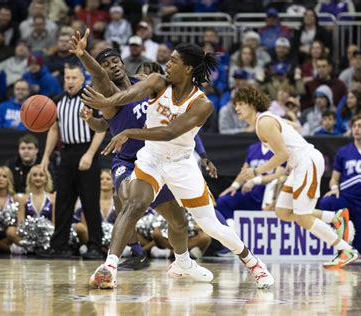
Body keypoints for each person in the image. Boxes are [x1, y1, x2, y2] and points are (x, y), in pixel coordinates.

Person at [82, 42, 274, 289]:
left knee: (209, 224)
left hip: (181, 164)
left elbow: (171, 131)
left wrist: (129, 132)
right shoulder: (157, 82)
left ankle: (253, 263)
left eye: (173, 61)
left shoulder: (202, 104)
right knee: (135, 202)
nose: (167, 64)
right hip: (150, 158)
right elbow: (129, 95)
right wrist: (106, 101)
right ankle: (109, 266)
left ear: (188, 69)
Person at [72, 30, 217, 275]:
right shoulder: (108, 91)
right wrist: (83, 54)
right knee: (131, 201)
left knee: (179, 221)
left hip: (157, 160)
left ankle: (183, 263)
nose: (111, 67)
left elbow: (180, 120)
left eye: (114, 61)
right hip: (128, 161)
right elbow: (102, 119)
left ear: (122, 61)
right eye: (106, 65)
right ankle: (115, 263)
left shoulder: (144, 82)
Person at [233, 85, 359, 269]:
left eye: (241, 103)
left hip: (307, 163)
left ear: (252, 104)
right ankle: (335, 218)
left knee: (303, 217)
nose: (237, 108)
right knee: (282, 211)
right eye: (236, 104)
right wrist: (293, 150)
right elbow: (296, 127)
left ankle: (346, 250)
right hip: (300, 163)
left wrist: (256, 172)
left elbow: (282, 155)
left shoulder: (264, 123)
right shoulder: (266, 119)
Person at [40, 63, 105, 260]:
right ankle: (59, 245)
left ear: (82, 79)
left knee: (90, 202)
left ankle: (95, 246)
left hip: (87, 151)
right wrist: (45, 157)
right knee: (63, 201)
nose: (70, 81)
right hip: (66, 153)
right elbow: (53, 130)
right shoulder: (57, 101)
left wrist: (90, 154)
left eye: (74, 78)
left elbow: (102, 128)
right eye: (67, 78)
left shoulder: (91, 99)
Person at [317, 113, 361, 259]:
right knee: (326, 201)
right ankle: (337, 232)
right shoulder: (343, 152)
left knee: (360, 250)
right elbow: (334, 179)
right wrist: (334, 188)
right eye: (354, 126)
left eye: (360, 126)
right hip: (347, 200)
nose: (356, 129)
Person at [218, 142, 286, 228]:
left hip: (271, 195)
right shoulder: (253, 148)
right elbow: (244, 171)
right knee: (223, 201)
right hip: (252, 194)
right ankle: (234, 231)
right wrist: (234, 186)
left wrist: (254, 181)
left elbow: (279, 175)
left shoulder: (281, 148)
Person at [6, 164, 55, 254]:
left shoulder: (52, 198)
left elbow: (54, 222)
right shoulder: (24, 199)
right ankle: (33, 248)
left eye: (41, 175)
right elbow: (20, 223)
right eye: (34, 175)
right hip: (28, 236)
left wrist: (47, 232)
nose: (38, 178)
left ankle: (36, 248)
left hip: (47, 236)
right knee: (10, 231)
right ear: (30, 178)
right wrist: (28, 233)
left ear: (46, 179)